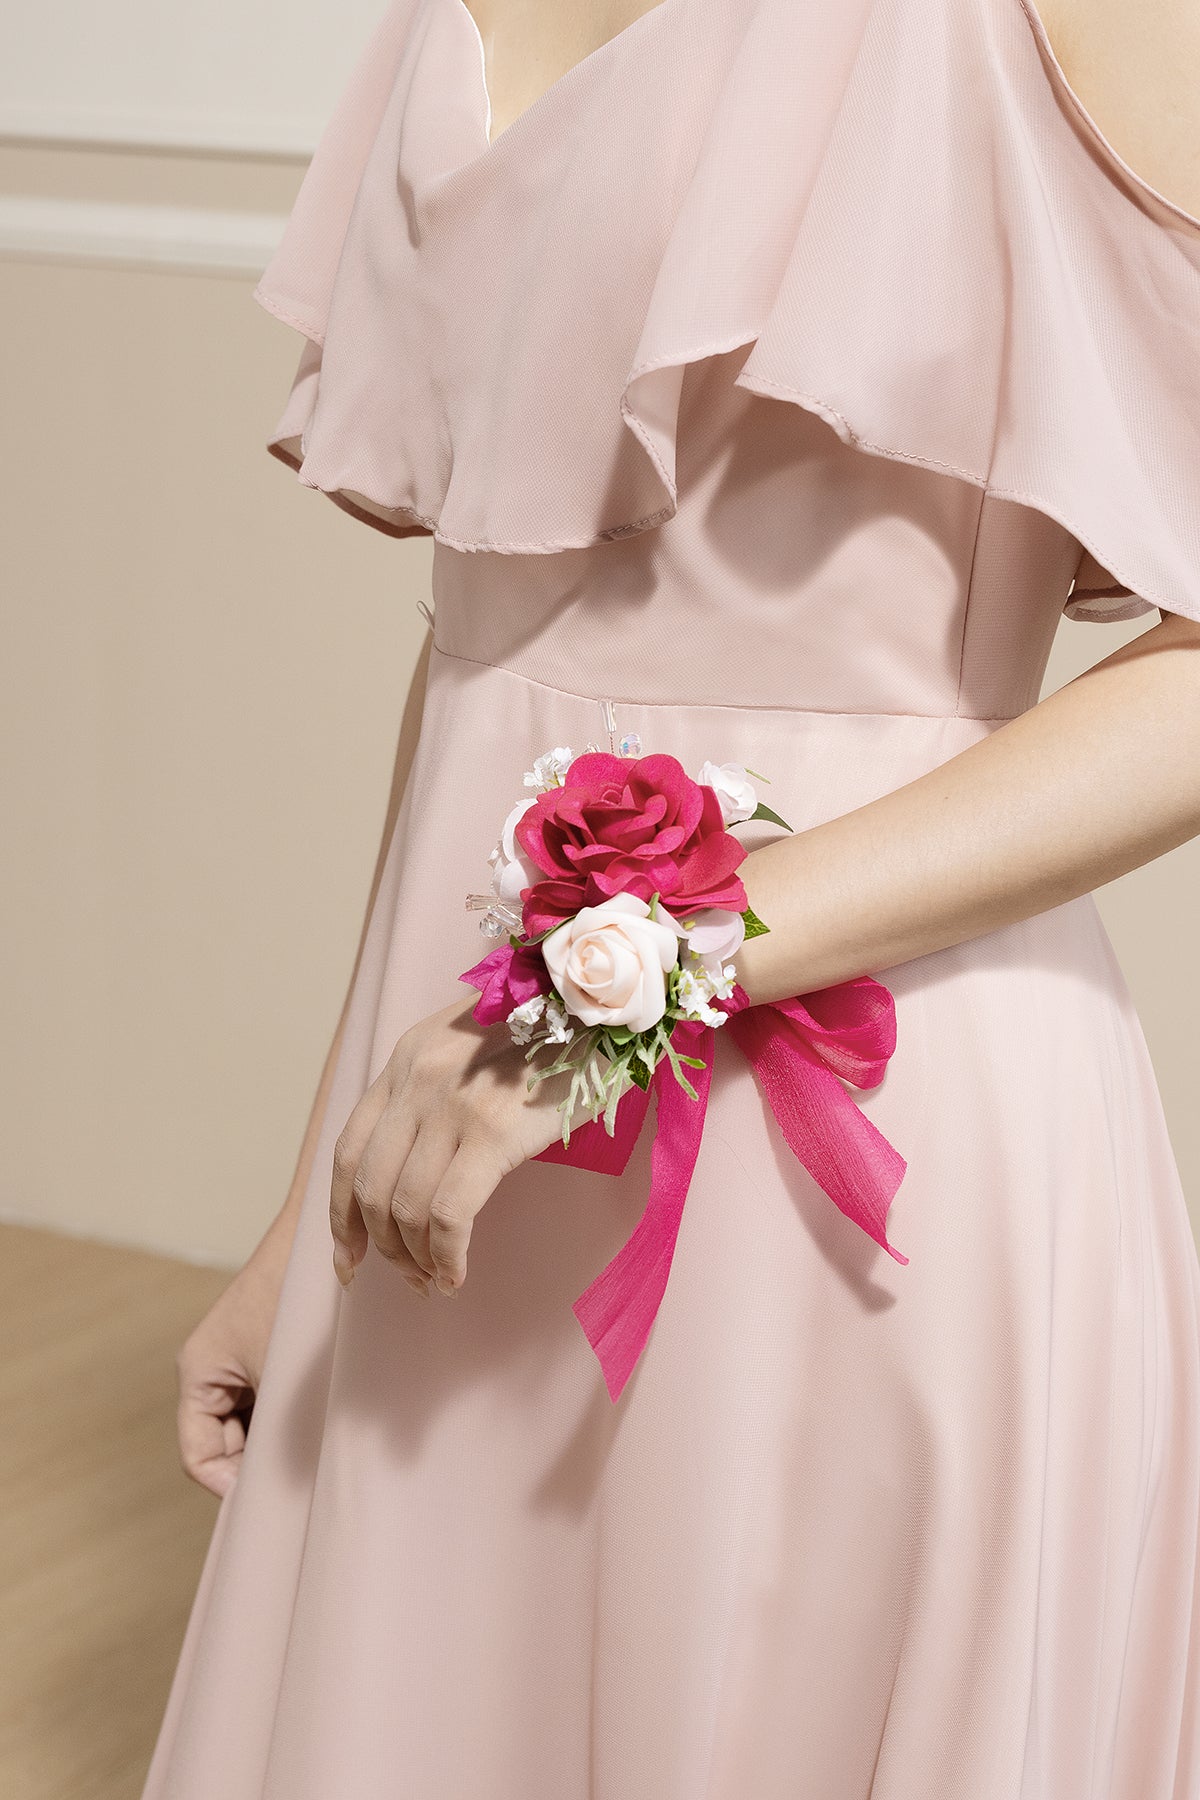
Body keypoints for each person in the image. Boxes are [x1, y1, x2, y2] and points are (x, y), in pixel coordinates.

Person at [143, 0, 1200, 1794]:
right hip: (470, 1125)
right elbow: (487, 659)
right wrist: (301, 1208)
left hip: (855, 1141)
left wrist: (630, 978)